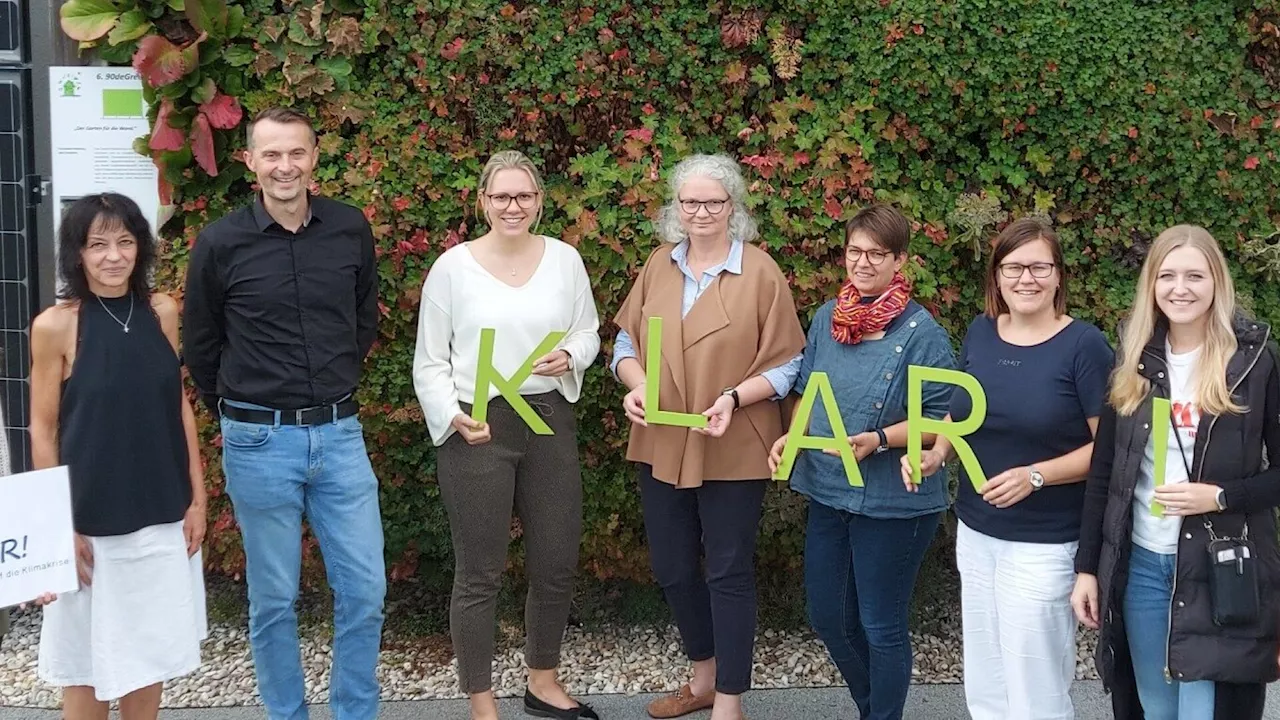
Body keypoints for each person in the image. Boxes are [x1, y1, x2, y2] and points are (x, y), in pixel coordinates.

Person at [183, 108, 385, 720]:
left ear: (315, 157)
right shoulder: (220, 243)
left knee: (367, 592)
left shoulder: (349, 229)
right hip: (257, 441)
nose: (285, 166)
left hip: (340, 435)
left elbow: (362, 319)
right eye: (271, 154)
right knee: (273, 599)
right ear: (250, 162)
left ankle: (354, 712)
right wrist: (240, 412)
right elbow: (202, 342)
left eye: (296, 153)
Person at [611, 154, 805, 720]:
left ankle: (729, 701)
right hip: (663, 438)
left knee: (728, 569)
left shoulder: (762, 273)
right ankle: (702, 678)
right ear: (676, 208)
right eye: (689, 202)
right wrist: (636, 383)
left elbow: (789, 364)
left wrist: (734, 398)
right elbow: (625, 344)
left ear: (733, 208)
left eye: (713, 202)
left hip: (734, 440)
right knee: (672, 566)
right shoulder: (658, 266)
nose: (700, 212)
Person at [412, 150, 602, 720]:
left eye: (524, 196)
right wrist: (450, 415)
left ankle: (543, 680)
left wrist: (571, 353)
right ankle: (481, 701)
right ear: (483, 202)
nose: (513, 206)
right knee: (479, 570)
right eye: (502, 196)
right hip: (478, 424)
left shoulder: (566, 260)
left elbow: (589, 331)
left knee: (556, 558)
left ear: (540, 201)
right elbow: (429, 361)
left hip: (547, 419)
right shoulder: (452, 268)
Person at [901, 218, 1114, 720]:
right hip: (976, 531)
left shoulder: (1085, 346)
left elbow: (1108, 449)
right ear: (996, 277)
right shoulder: (981, 332)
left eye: (1040, 266)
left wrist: (1036, 474)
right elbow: (960, 414)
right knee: (987, 678)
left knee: (1035, 684)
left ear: (1059, 276)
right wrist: (935, 454)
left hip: (1044, 543)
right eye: (1014, 267)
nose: (1027, 278)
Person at [1071, 225, 1280, 720]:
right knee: (1154, 708)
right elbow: (1105, 475)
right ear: (1151, 284)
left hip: (1221, 569)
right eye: (1166, 275)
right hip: (1143, 567)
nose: (1179, 288)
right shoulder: (1135, 359)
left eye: (1194, 275)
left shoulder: (1254, 362)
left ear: (1217, 282)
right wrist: (1087, 567)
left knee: (1204, 711)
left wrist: (1222, 497)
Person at [766, 204, 955, 720]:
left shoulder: (923, 334)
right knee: (828, 616)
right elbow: (809, 388)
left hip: (896, 501)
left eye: (877, 254)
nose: (864, 262)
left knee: (881, 624)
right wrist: (793, 436)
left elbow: (945, 419)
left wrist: (880, 437)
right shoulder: (828, 317)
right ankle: (876, 709)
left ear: (900, 260)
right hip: (830, 489)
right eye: (855, 251)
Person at [29, 193, 207, 719]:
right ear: (77, 254)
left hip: (160, 514)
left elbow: (178, 406)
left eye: (125, 242)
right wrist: (57, 525)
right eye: (98, 244)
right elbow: (42, 427)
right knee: (85, 665)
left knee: (148, 657)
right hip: (89, 523)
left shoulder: (162, 311)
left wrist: (196, 499)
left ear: (141, 248)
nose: (113, 256)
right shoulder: (55, 326)